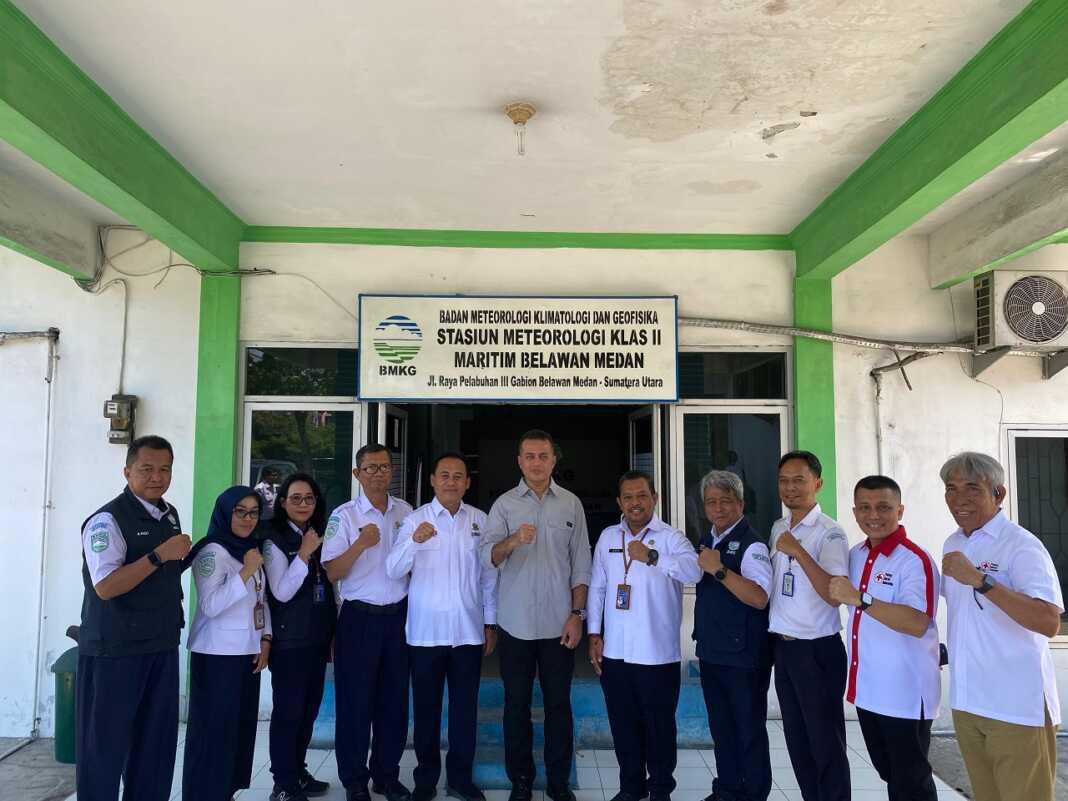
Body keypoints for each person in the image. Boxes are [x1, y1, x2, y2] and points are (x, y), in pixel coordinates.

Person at [939, 452, 1062, 801]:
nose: (959, 499)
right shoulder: (955, 542)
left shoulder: (1022, 545)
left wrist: (981, 580)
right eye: (951, 488)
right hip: (967, 702)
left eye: (972, 488)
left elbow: (1048, 622)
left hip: (1015, 707)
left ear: (999, 494)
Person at [76, 435, 191, 801]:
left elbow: (163, 572)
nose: (157, 477)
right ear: (127, 471)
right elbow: (106, 586)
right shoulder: (106, 521)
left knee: (154, 748)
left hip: (159, 646)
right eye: (147, 469)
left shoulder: (167, 513)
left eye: (165, 469)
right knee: (104, 751)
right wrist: (160, 555)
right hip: (115, 652)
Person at [480, 430, 592, 801]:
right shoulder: (504, 506)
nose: (536, 462)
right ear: (519, 461)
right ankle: (521, 781)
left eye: (543, 455)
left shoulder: (571, 504)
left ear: (553, 460)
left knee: (559, 705)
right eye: (529, 456)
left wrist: (577, 614)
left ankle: (558, 781)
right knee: (517, 707)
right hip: (516, 626)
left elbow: (581, 565)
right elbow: (488, 557)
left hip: (560, 626)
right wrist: (512, 541)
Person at [386, 453, 499, 801]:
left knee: (464, 711)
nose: (451, 481)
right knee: (426, 711)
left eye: (458, 476)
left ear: (467, 482)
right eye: (445, 475)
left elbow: (488, 577)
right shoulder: (414, 520)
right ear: (433, 480)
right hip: (425, 633)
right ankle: (425, 779)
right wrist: (413, 541)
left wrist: (490, 622)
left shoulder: (479, 521)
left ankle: (460, 779)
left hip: (467, 632)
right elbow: (393, 569)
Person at [587, 470, 701, 801]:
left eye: (642, 496)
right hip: (617, 653)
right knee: (624, 726)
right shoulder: (609, 537)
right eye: (628, 497)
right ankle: (631, 787)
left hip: (657, 654)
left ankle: (661, 789)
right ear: (619, 502)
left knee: (659, 727)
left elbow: (694, 571)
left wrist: (652, 556)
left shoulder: (672, 538)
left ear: (654, 498)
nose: (635, 503)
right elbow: (597, 587)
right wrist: (595, 633)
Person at [828, 475, 941, 801]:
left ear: (900, 510)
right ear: (854, 511)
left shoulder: (914, 560)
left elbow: (918, 622)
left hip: (904, 695)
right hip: (868, 691)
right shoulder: (856, 553)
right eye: (864, 507)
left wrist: (860, 598)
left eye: (883, 507)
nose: (873, 515)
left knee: (911, 783)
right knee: (890, 773)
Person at [322, 444, 414, 801]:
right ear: (357, 474)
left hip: (398, 620)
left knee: (393, 704)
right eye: (371, 468)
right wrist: (360, 543)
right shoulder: (343, 517)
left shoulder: (406, 512)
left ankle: (386, 776)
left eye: (384, 467)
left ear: (392, 472)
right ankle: (355, 781)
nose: (378, 473)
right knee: (355, 704)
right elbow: (332, 572)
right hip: (358, 620)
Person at [767, 450, 850, 801]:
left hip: (817, 649)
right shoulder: (778, 527)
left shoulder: (830, 533)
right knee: (798, 741)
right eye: (784, 481)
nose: (791, 488)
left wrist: (799, 552)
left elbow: (834, 594)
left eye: (799, 480)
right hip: (784, 647)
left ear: (818, 483)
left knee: (825, 744)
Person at [183, 487, 272, 801]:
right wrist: (247, 570)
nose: (248, 519)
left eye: (253, 512)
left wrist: (265, 638)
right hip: (217, 655)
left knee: (238, 730)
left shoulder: (249, 548)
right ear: (225, 512)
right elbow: (210, 605)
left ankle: (226, 792)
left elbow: (260, 600)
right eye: (240, 511)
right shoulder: (212, 552)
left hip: (246, 653)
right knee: (212, 733)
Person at [692, 470, 773, 801]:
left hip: (743, 657)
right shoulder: (710, 538)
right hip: (713, 651)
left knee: (748, 730)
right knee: (722, 729)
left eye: (726, 501)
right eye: (711, 502)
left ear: (740, 503)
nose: (718, 508)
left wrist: (720, 569)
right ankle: (726, 789)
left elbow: (759, 597)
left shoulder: (751, 545)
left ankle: (752, 793)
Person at [263, 472, 337, 800]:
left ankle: (298, 770)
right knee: (288, 713)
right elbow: (281, 592)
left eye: (309, 498)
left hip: (316, 638)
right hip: (289, 641)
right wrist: (305, 554)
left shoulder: (316, 534)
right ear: (282, 503)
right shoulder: (274, 539)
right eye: (296, 498)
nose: (303, 504)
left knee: (308, 711)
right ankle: (283, 782)